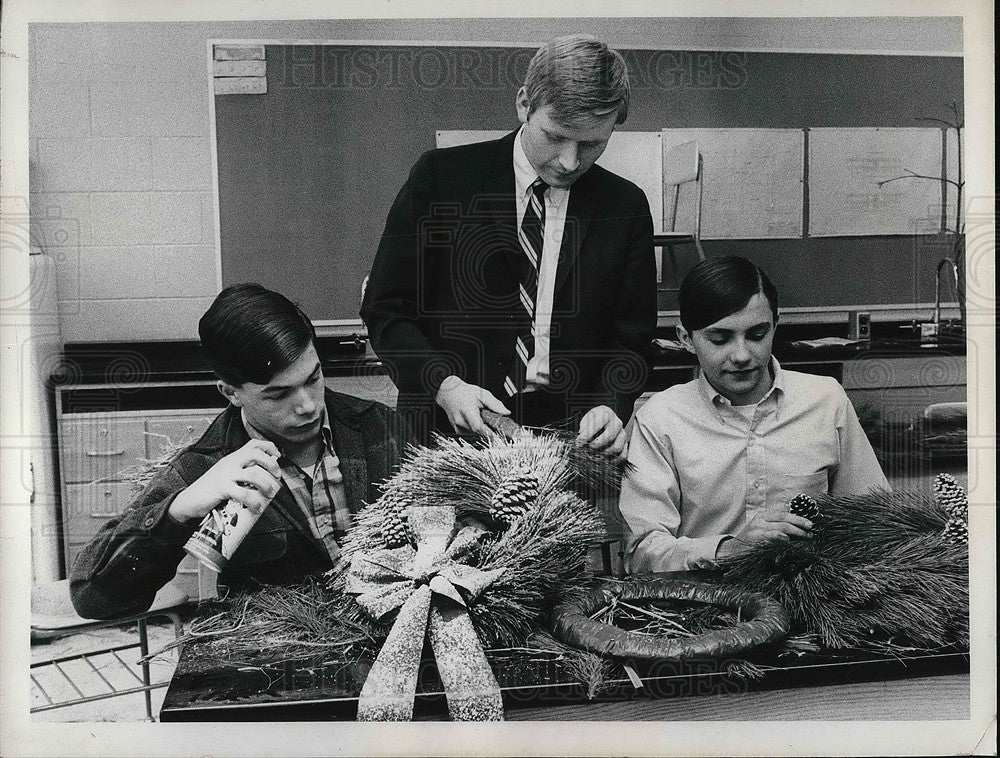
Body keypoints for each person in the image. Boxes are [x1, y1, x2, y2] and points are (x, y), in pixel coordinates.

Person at [361, 34, 656, 455]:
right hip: (446, 433)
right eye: (556, 136)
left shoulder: (625, 206)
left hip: (570, 444)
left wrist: (611, 405)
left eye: (593, 143)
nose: (571, 162)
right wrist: (444, 386)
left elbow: (631, 340)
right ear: (524, 104)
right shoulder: (441, 178)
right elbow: (386, 309)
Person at [70, 284, 415, 619]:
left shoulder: (382, 428)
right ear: (230, 392)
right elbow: (93, 597)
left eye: (313, 378)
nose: (308, 406)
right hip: (282, 664)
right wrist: (180, 509)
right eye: (278, 395)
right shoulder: (207, 466)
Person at [619, 256, 890, 573]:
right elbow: (640, 553)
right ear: (685, 339)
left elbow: (876, 520)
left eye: (757, 335)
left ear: (777, 324)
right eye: (719, 339)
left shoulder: (825, 400)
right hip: (702, 606)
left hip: (813, 597)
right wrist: (731, 550)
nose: (742, 355)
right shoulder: (660, 418)